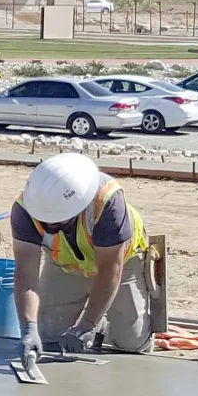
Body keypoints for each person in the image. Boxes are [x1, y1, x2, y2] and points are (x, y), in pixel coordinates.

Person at [11, 153, 159, 358]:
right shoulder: (25, 209)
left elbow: (109, 272)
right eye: (45, 219)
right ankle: (95, 316)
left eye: (58, 220)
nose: (49, 225)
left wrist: (87, 325)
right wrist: (28, 328)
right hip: (66, 265)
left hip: (123, 262)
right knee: (48, 334)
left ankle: (101, 323)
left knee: (131, 342)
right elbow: (25, 275)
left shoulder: (107, 202)